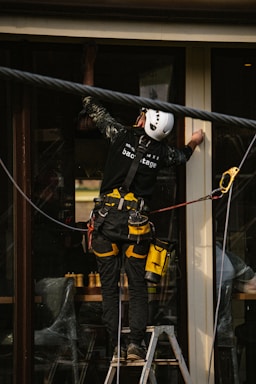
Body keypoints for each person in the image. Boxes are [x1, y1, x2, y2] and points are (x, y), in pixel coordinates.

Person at [81, 96, 204, 361]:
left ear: (144, 119)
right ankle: (135, 345)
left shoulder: (120, 134)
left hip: (105, 224)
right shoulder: (161, 153)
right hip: (136, 229)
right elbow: (183, 156)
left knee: (109, 288)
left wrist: (87, 72)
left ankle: (116, 347)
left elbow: (94, 109)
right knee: (137, 287)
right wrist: (195, 139)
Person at [216, 242, 256, 383]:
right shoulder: (224, 256)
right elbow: (253, 284)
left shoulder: (185, 256)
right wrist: (236, 284)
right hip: (222, 334)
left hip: (191, 332)